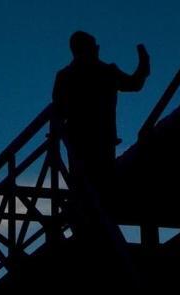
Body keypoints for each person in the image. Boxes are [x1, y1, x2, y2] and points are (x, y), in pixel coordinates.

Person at [53, 32, 150, 196]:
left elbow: (58, 111)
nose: (98, 50)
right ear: (87, 49)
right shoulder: (106, 72)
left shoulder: (65, 76)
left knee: (85, 191)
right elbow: (134, 84)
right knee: (99, 190)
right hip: (99, 140)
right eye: (95, 46)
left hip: (79, 140)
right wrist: (144, 64)